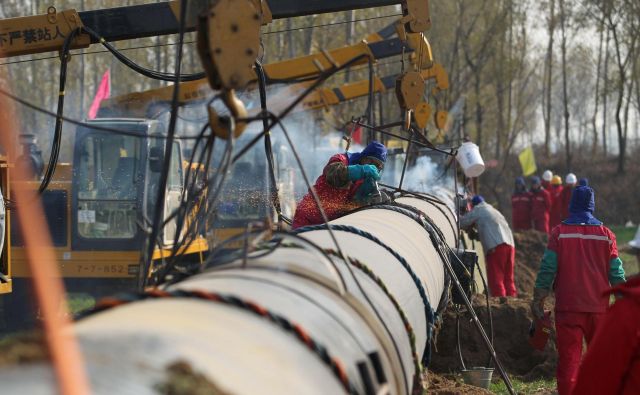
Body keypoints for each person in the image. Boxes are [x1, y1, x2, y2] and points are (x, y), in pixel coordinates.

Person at [531, 185, 626, 395]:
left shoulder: (559, 233)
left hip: (568, 308)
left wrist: (539, 298)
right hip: (599, 309)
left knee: (569, 364)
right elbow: (617, 274)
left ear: (571, 204)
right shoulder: (606, 235)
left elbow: (547, 269)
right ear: (592, 206)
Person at [292, 141, 387, 229]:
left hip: (330, 225)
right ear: (364, 157)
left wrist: (362, 199)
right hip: (307, 219)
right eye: (372, 162)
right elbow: (332, 174)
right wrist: (356, 171)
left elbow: (349, 208)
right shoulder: (341, 160)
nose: (375, 168)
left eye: (379, 166)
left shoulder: (364, 181)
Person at [572, 275, 640, 395]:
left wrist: (540, 293)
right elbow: (615, 271)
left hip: (568, 307)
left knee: (570, 358)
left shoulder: (628, 313)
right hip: (597, 306)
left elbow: (594, 385)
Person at [460, 195, 517, 298]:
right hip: (510, 245)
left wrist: (459, 215)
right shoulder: (494, 211)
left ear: (473, 205)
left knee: (496, 277)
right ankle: (512, 302)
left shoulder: (479, 209)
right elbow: (493, 230)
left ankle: (500, 302)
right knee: (508, 277)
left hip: (496, 247)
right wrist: (477, 235)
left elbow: (462, 223)